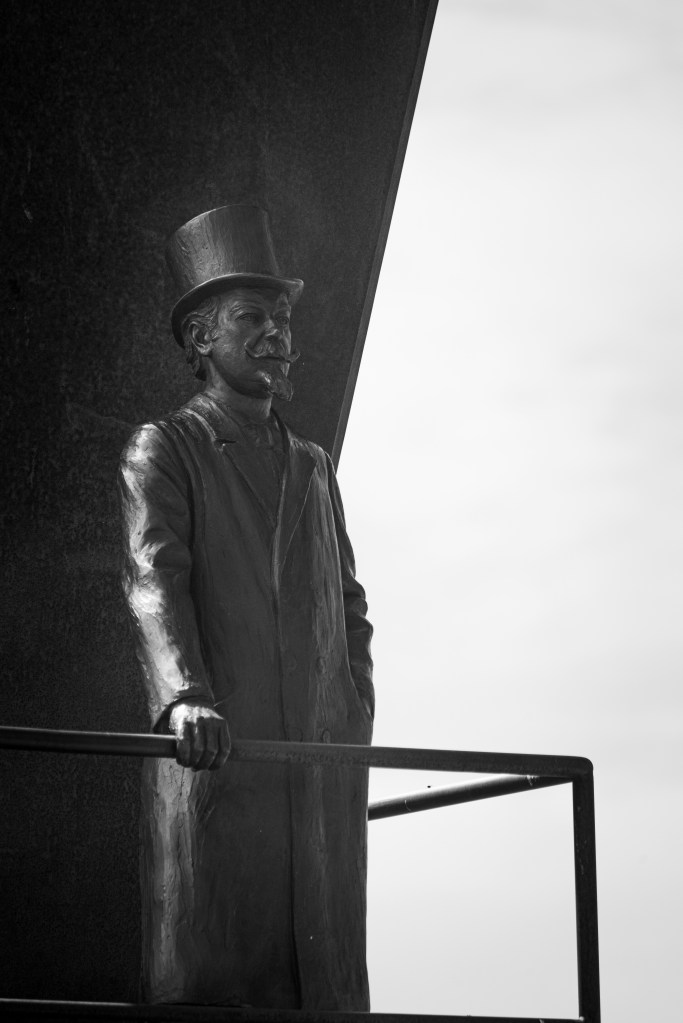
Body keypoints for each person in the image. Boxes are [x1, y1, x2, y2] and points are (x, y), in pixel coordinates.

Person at [118, 205, 374, 1010]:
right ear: (200, 339)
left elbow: (349, 604)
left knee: (320, 978)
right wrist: (184, 697)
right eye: (251, 318)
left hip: (317, 766)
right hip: (220, 767)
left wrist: (353, 703)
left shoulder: (313, 465)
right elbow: (153, 578)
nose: (275, 334)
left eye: (283, 318)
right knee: (222, 978)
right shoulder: (166, 449)